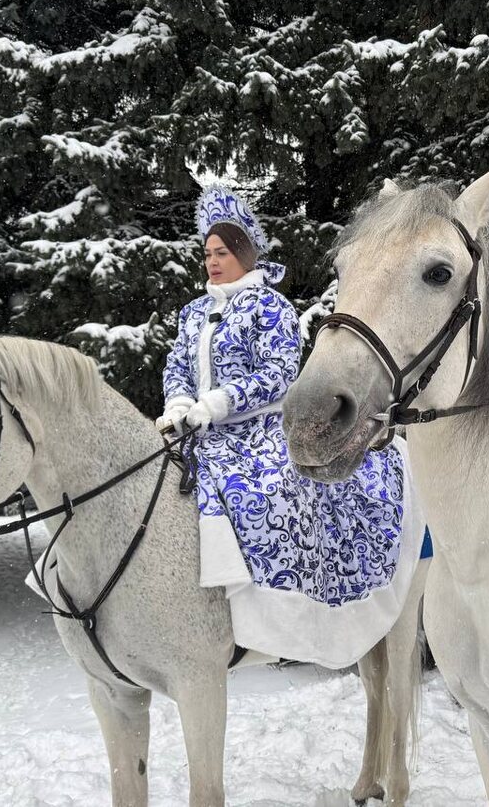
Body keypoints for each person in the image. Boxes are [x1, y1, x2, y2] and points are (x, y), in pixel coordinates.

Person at [157, 186, 425, 668]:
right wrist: (179, 402)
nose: (212, 262)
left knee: (264, 491)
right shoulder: (193, 312)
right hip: (198, 430)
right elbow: (177, 363)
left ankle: (284, 615)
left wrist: (218, 403)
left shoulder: (270, 306)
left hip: (258, 429)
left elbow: (279, 372)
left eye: (221, 253)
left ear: (242, 254)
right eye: (207, 253)